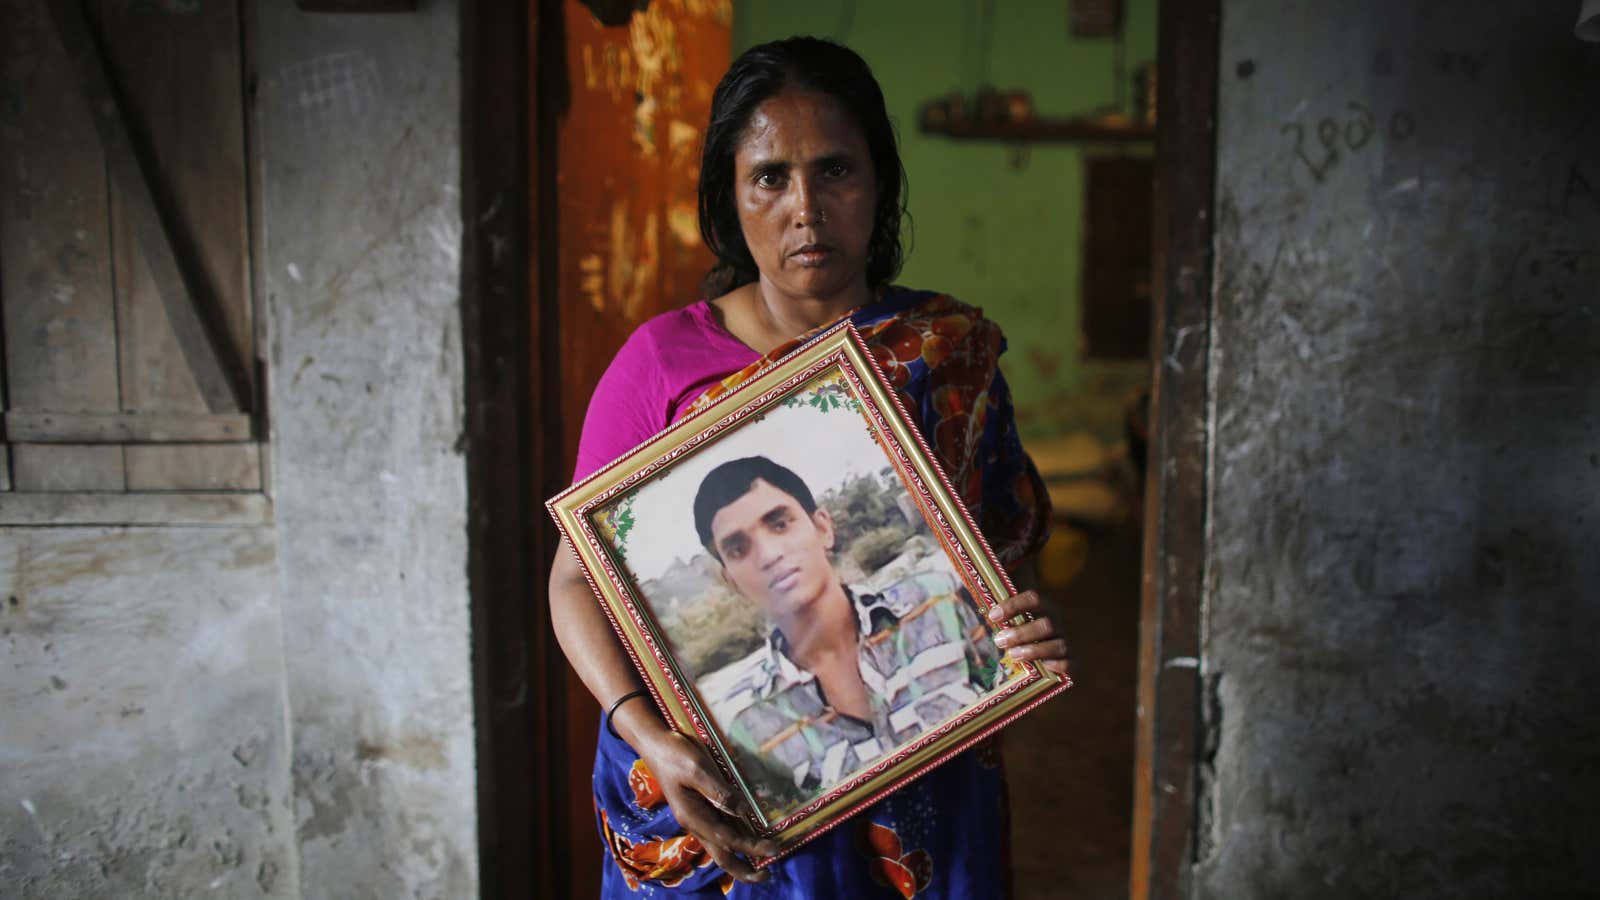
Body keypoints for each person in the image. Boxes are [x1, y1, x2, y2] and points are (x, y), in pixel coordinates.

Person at [548, 35, 1070, 898]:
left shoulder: (947, 354)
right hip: (731, 800)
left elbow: (1002, 549)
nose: (806, 208)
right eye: (770, 177)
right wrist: (646, 731)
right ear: (730, 194)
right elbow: (574, 581)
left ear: (880, 183)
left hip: (923, 775)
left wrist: (1021, 628)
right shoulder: (660, 364)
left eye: (836, 171)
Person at [692, 456, 1008, 818]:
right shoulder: (750, 727)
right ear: (732, 581)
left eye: (779, 524)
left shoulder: (939, 603)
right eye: (738, 549)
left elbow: (1013, 694)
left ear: (823, 528)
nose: (768, 555)